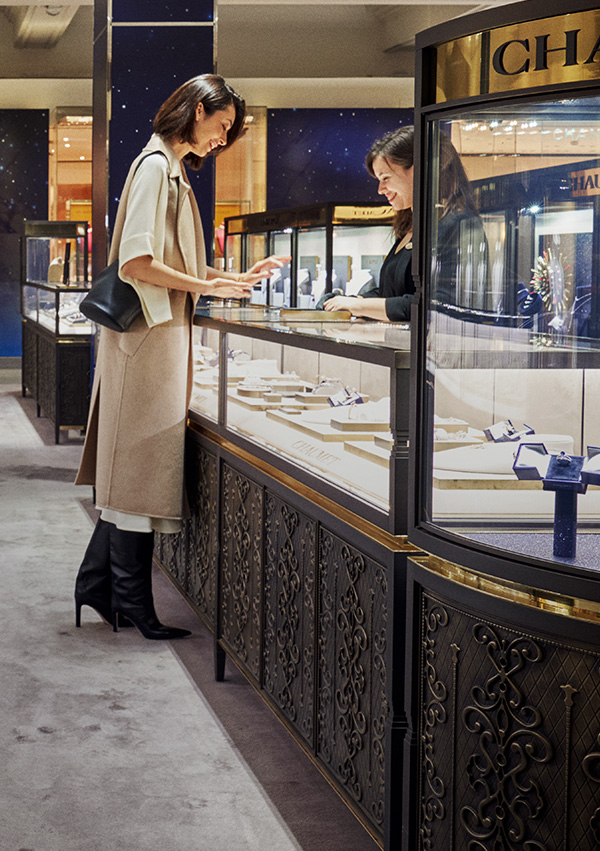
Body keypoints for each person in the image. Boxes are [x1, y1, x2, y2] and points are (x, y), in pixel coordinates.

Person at [74, 74, 287, 640]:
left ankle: (98, 587)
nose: (222, 141)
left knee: (133, 474)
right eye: (221, 128)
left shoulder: (168, 170)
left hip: (156, 341)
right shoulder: (154, 168)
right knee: (139, 474)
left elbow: (176, 260)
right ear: (196, 111)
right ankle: (130, 603)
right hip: (147, 342)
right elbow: (137, 263)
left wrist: (231, 278)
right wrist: (209, 287)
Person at [324, 126, 415, 322]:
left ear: (416, 171)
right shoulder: (406, 228)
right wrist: (349, 301)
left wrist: (357, 305)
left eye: (386, 178)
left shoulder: (452, 227)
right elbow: (389, 293)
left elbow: (428, 306)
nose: (381, 189)